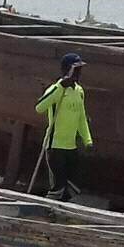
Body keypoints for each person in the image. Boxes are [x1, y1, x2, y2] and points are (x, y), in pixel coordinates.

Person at [34, 53, 93, 200]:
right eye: (76, 69)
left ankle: (62, 207)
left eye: (80, 69)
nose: (79, 72)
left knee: (75, 184)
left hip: (71, 147)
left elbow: (81, 118)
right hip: (55, 146)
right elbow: (39, 107)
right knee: (58, 186)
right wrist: (60, 87)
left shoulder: (79, 91)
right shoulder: (56, 89)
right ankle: (50, 212)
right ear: (68, 69)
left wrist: (88, 140)